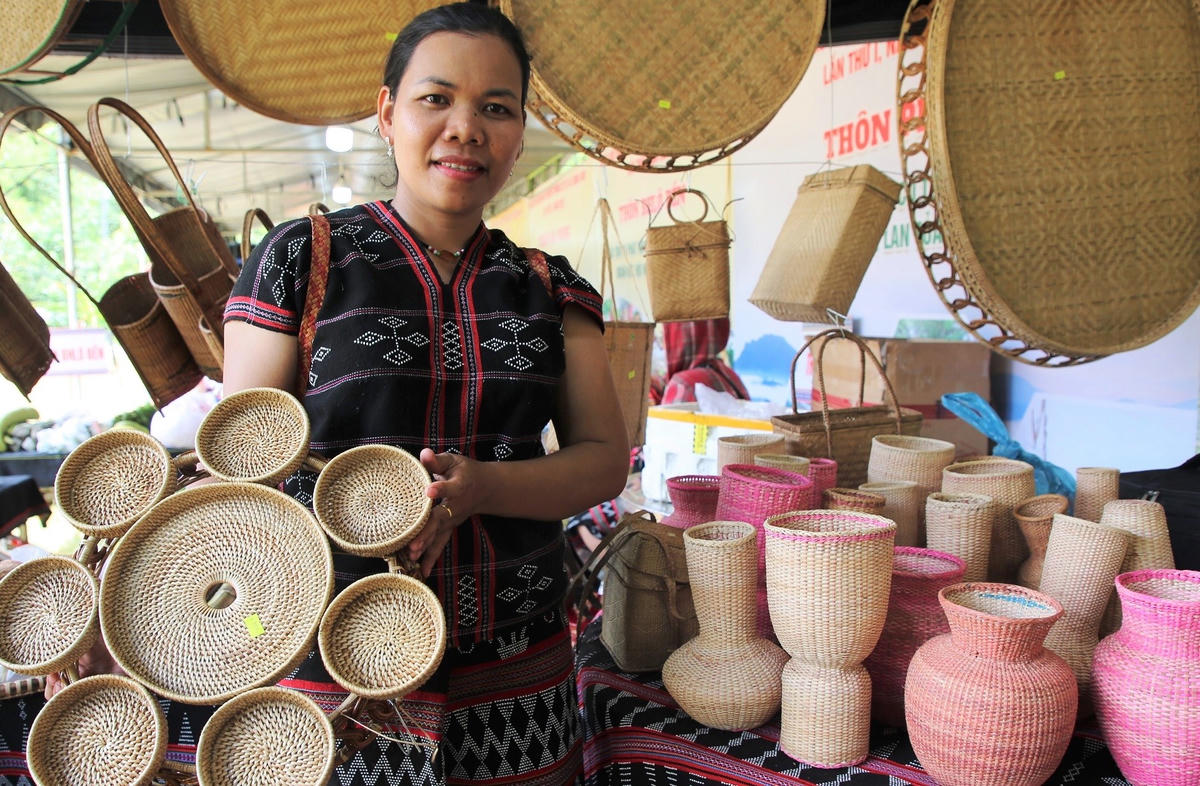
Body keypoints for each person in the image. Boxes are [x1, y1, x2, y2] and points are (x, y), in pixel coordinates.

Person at [48, 4, 628, 784]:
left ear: (520, 133)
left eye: (497, 107)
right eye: (437, 98)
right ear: (387, 113)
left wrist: (484, 485)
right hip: (327, 662)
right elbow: (235, 472)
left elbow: (601, 462)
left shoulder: (552, 288)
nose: (465, 127)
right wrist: (141, 613)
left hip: (517, 662)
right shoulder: (303, 259)